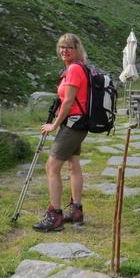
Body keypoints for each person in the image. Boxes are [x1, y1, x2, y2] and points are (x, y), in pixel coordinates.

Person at [33, 33, 89, 232]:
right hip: (77, 123)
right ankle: (76, 211)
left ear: (77, 49)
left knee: (51, 167)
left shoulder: (74, 69)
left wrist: (54, 125)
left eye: (68, 47)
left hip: (72, 125)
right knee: (73, 165)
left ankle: (55, 215)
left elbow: (68, 101)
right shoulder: (75, 68)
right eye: (61, 47)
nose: (64, 50)